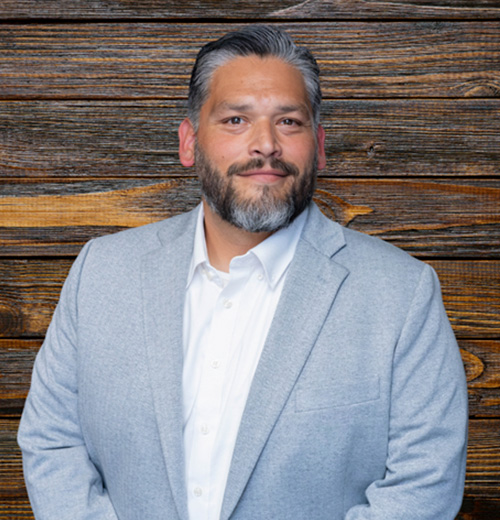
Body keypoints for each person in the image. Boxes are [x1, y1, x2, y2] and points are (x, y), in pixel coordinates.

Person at [18, 25, 468, 520]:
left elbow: (423, 483)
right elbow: (53, 441)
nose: (266, 145)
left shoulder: (401, 294)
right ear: (189, 142)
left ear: (318, 145)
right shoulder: (102, 273)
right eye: (235, 119)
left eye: (289, 122)